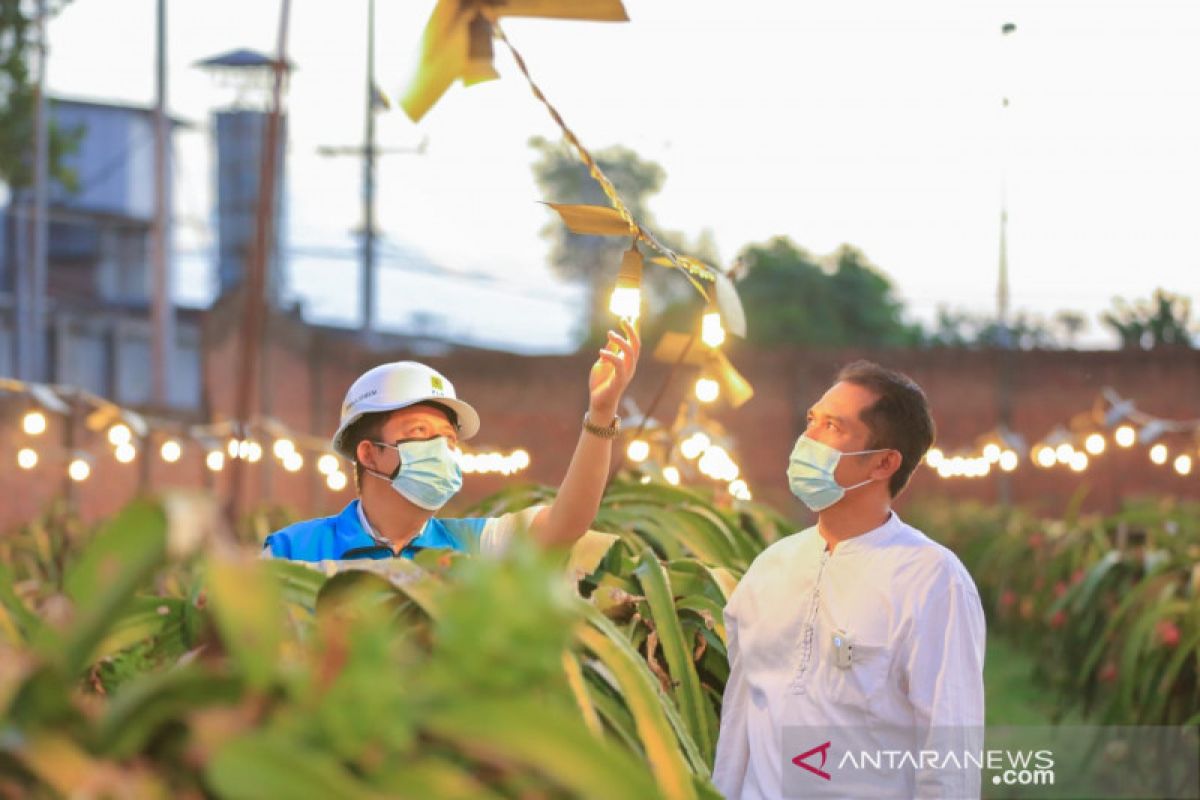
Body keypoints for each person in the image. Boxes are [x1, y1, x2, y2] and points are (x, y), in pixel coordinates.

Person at [712, 360, 986, 799]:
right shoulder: (769, 567)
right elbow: (740, 717)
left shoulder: (932, 578)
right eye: (811, 421)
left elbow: (950, 746)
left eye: (832, 427)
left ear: (882, 463)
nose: (807, 440)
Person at [263, 321, 640, 561]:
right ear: (370, 455)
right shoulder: (293, 551)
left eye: (449, 440)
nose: (441, 450)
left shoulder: (475, 547)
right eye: (420, 433)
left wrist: (602, 413)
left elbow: (566, 524)